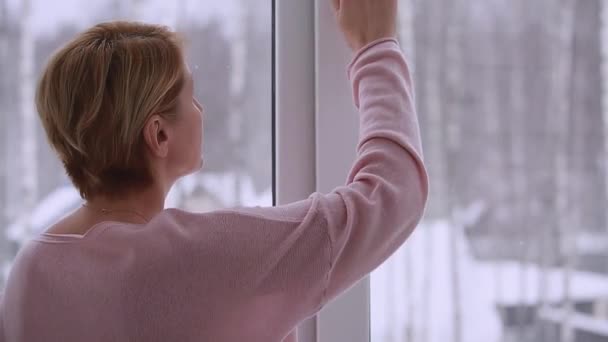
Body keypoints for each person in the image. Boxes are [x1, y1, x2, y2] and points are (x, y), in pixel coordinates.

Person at [0, 0, 428, 340]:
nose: (202, 112)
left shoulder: (30, 272)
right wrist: (376, 47)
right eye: (192, 96)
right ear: (159, 136)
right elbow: (392, 195)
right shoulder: (199, 258)